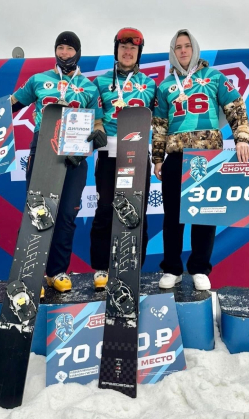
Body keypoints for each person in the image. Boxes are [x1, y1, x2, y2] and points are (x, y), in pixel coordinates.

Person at [0, 31, 106, 295]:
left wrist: (96, 138)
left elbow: (98, 123)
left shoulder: (89, 86)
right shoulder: (39, 80)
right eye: (60, 48)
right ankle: (31, 275)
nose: (64, 53)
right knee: (38, 212)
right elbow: (10, 104)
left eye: (69, 49)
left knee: (66, 215)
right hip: (44, 150)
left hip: (75, 155)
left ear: (78, 52)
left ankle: (57, 272)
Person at [152, 29, 249, 291]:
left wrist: (242, 139)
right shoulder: (166, 86)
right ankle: (172, 268)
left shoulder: (214, 77)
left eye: (187, 46)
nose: (183, 50)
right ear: (173, 52)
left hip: (207, 156)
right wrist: (158, 158)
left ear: (194, 48)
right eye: (178, 47)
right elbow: (159, 125)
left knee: (204, 214)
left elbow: (236, 108)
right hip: (175, 156)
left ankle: (199, 268)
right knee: (172, 216)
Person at [89, 27, 156, 290]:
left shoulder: (150, 84)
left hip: (138, 155)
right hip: (109, 154)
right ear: (116, 50)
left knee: (136, 211)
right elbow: (93, 116)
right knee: (106, 209)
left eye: (133, 48)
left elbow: (161, 119)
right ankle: (101, 267)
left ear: (139, 52)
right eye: (123, 47)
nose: (128, 52)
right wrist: (97, 129)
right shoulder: (100, 82)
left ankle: (132, 267)